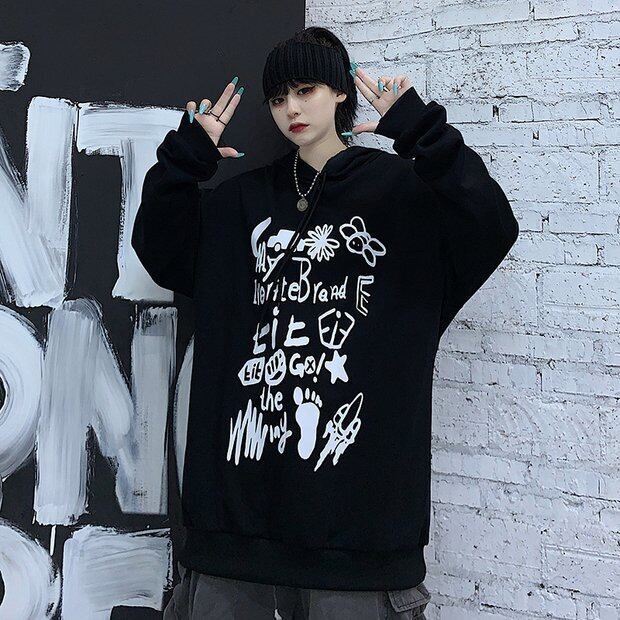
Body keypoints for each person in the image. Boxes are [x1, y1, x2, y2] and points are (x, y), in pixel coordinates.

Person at [132, 25, 519, 620]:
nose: (291, 108)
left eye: (306, 90)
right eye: (278, 97)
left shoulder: (403, 197)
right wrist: (185, 160)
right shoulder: (238, 205)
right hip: (235, 540)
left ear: (339, 93)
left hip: (359, 545)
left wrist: (422, 133)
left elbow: (490, 224)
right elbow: (160, 248)